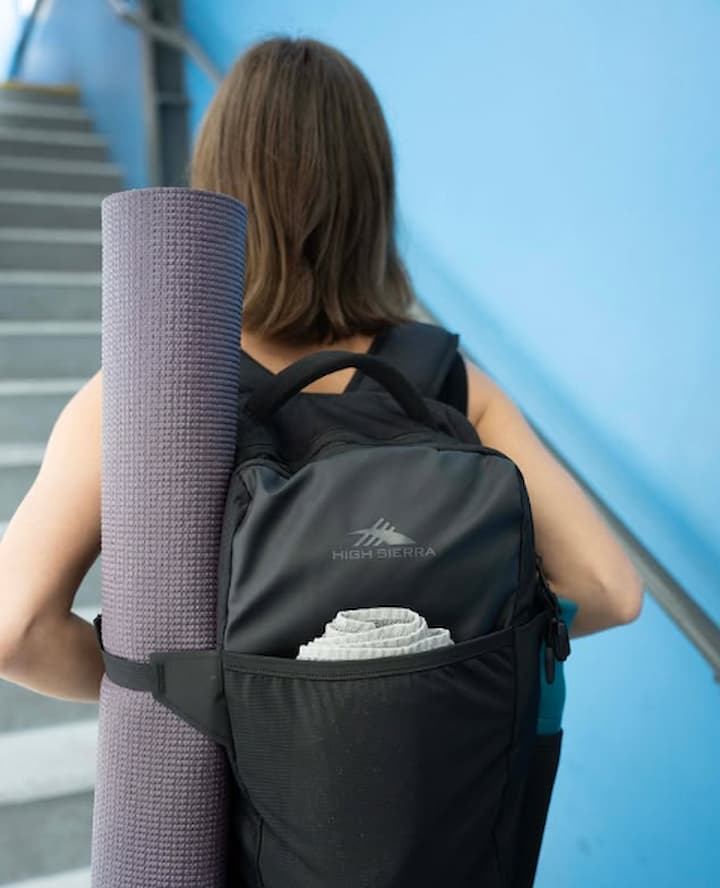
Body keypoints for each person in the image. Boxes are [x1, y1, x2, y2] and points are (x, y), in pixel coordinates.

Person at [0, 37, 642, 702]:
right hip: (432, 761)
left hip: (228, 769)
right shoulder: (449, 381)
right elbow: (607, 589)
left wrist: (188, 689)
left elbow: (15, 630)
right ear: (371, 195)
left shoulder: (155, 383)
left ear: (217, 181)